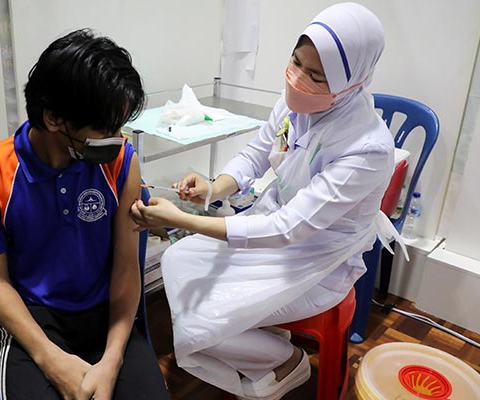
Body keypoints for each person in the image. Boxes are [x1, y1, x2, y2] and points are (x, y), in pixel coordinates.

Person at [130, 3, 403, 399]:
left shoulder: (367, 150)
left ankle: (284, 360)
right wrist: (213, 187)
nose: (297, 79)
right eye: (295, 62)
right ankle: (262, 344)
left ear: (353, 81)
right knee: (177, 262)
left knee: (201, 323)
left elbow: (288, 229)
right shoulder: (298, 101)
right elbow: (258, 153)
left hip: (317, 261)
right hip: (270, 231)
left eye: (315, 76)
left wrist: (184, 220)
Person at [0, 29, 168, 400]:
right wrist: (52, 361)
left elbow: (126, 267)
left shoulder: (121, 163)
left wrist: (112, 360)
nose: (118, 139)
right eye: (106, 128)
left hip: (107, 312)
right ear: (54, 117)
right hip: (35, 321)